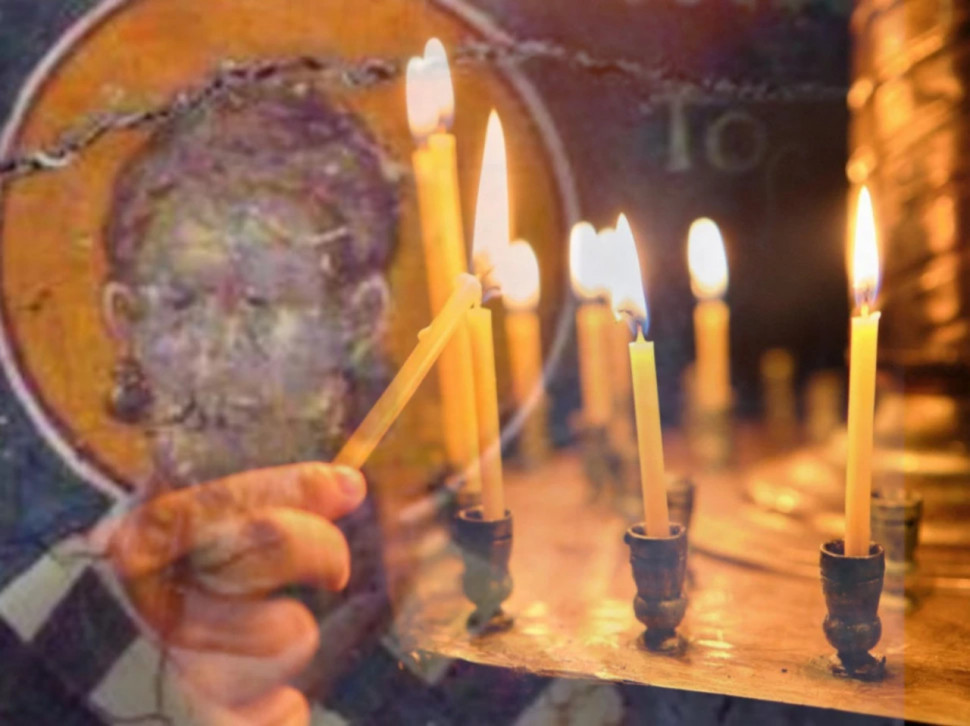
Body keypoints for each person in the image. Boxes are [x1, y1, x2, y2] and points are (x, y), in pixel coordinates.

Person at [97, 77, 399, 723]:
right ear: (127, 321)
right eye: (181, 303)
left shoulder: (458, 636)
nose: (216, 354)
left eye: (263, 303)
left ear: (358, 320)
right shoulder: (46, 621)